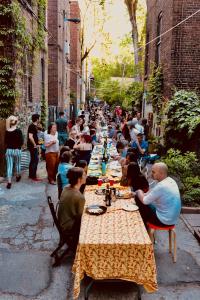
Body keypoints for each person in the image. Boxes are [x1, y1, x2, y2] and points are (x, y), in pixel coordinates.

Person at [136, 162, 181, 227]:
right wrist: (144, 194)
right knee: (143, 199)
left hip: (163, 221)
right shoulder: (170, 180)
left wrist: (139, 191)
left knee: (140, 200)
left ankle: (141, 226)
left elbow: (145, 201)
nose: (151, 174)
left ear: (161, 173)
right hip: (172, 220)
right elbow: (153, 191)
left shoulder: (161, 186)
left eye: (153, 172)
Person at [58, 167, 86, 251]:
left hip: (62, 221)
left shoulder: (66, 187)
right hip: (69, 226)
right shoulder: (79, 197)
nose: (86, 176)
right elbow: (81, 218)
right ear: (79, 179)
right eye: (84, 175)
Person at [5, 116, 24, 189]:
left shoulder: (7, 131)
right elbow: (21, 142)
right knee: (18, 164)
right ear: (16, 122)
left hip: (9, 150)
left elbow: (6, 142)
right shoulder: (18, 131)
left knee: (9, 166)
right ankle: (18, 176)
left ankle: (9, 182)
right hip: (17, 150)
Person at [27, 114, 41, 181]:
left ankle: (31, 175)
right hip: (32, 146)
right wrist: (35, 144)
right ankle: (33, 176)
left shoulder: (35, 126)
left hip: (33, 145)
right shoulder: (32, 126)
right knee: (35, 160)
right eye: (39, 118)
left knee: (33, 160)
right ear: (37, 119)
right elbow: (30, 137)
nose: (40, 119)